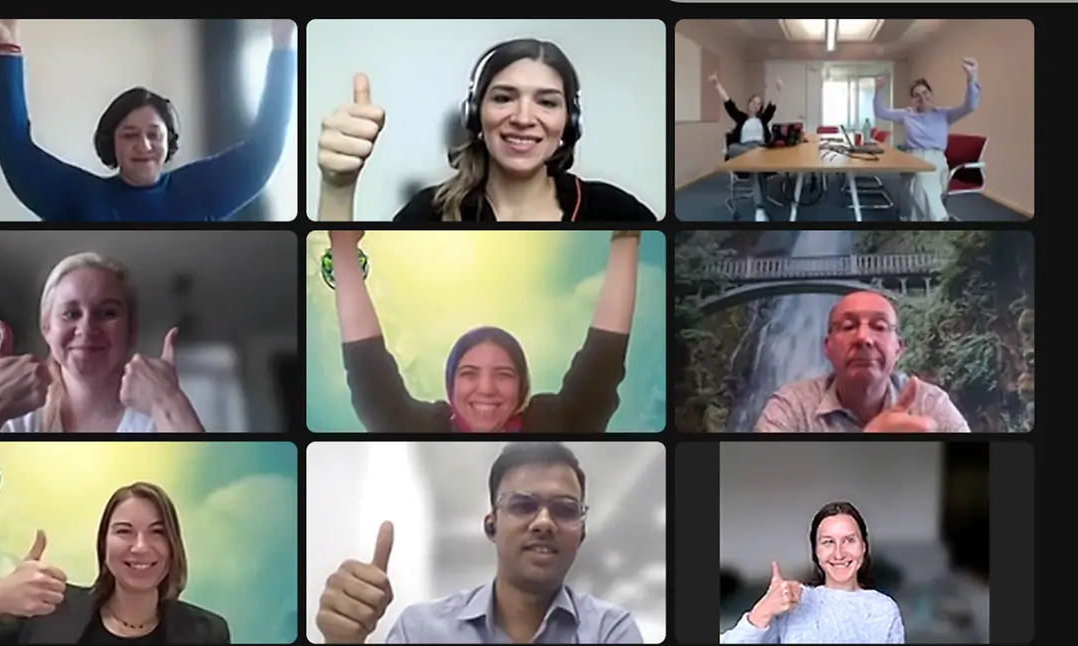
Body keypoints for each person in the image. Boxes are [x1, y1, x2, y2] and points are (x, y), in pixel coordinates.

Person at [316, 442, 643, 645]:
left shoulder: (610, 631)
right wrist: (341, 645)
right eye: (522, 505)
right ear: (491, 525)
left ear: (581, 532)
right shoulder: (421, 630)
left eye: (565, 509)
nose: (544, 522)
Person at [0, 19, 296, 222]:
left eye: (154, 134)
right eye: (129, 135)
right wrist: (7, 47)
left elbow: (264, 148)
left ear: (167, 141)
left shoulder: (200, 191)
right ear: (111, 144)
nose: (144, 145)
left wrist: (282, 45)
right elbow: (14, 146)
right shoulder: (79, 198)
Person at [326, 230, 641, 432]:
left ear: (522, 387)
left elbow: (604, 358)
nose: (486, 388)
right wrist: (342, 246)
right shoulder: (418, 428)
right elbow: (367, 366)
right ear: (450, 384)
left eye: (504, 374)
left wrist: (625, 239)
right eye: (468, 373)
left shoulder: (557, 424)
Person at [317, 40, 656, 223]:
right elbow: (338, 285)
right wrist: (338, 187)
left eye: (547, 102)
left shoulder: (615, 211)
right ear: (475, 114)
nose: (524, 117)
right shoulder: (430, 212)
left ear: (570, 121)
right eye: (504, 98)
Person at [0, 482, 230, 646]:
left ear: (173, 545)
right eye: (124, 531)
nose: (140, 547)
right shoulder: (47, 609)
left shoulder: (208, 633)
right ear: (104, 544)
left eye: (157, 532)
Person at [0, 253, 202, 434]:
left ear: (131, 330)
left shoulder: (158, 421)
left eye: (107, 313)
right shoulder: (16, 420)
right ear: (47, 328)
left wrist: (169, 404)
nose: (87, 328)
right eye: (70, 313)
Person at [753, 290, 970, 433]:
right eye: (848, 326)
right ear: (827, 347)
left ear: (898, 348)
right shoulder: (793, 405)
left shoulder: (929, 404)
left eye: (879, 326)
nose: (863, 338)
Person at [722, 501, 905, 645]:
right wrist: (763, 610)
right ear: (816, 551)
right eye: (828, 542)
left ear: (863, 547)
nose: (839, 553)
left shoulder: (885, 609)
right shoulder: (791, 600)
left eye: (849, 540)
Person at [872, 60, 980, 223]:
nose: (922, 97)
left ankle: (940, 219)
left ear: (931, 93)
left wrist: (972, 77)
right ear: (912, 100)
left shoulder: (944, 114)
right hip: (911, 158)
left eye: (925, 92)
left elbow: (970, 106)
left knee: (919, 181)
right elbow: (880, 112)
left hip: (936, 160)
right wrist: (878, 90)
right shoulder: (906, 114)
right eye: (917, 95)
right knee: (915, 182)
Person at [713, 72, 785, 222]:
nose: (756, 105)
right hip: (743, 151)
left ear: (760, 108)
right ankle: (756, 157)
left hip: (760, 151)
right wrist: (717, 84)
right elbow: (729, 104)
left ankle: (760, 209)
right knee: (732, 148)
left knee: (757, 167)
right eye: (753, 102)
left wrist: (778, 90)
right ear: (749, 104)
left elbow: (772, 107)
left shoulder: (763, 119)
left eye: (759, 104)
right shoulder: (741, 118)